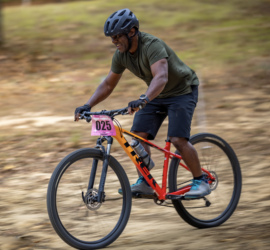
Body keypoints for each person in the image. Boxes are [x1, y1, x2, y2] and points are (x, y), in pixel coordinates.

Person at [74, 8, 211, 199]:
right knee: (137, 137)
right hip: (156, 95)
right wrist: (87, 105)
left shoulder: (152, 45)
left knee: (178, 139)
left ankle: (200, 180)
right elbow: (107, 84)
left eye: (117, 36)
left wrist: (144, 99)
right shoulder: (121, 55)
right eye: (111, 38)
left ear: (132, 32)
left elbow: (161, 77)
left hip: (182, 91)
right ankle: (146, 182)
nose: (114, 41)